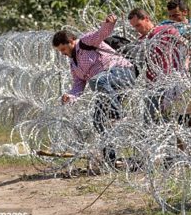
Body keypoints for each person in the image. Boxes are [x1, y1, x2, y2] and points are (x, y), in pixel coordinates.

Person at [52, 14, 135, 165]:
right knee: (98, 120)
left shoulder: (85, 42)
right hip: (106, 87)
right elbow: (78, 85)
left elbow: (101, 34)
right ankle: (110, 160)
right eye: (60, 51)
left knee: (97, 79)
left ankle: (118, 116)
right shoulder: (73, 64)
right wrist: (70, 96)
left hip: (121, 73)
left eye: (63, 49)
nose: (63, 54)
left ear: (71, 41)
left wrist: (109, 23)